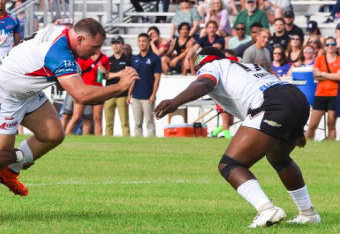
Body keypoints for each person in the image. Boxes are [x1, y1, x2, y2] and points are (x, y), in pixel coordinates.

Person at [0, 18, 137, 221]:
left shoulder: (63, 34)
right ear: (79, 39)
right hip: (2, 93)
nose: (96, 53)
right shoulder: (58, 53)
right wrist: (120, 87)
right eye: (94, 47)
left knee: (53, 134)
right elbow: (81, 96)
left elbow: (55, 72)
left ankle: (10, 173)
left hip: (26, 90)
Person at [155, 47, 321, 227]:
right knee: (279, 158)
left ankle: (266, 209)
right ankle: (307, 213)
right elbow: (278, 90)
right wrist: (296, 130)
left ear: (200, 61)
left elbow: (204, 84)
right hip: (295, 97)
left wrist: (176, 101)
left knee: (230, 164)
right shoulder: (242, 65)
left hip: (272, 103)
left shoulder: (212, 65)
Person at [64, 52, 110, 136]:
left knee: (96, 119)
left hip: (98, 90)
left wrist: (104, 72)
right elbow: (78, 73)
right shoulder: (83, 56)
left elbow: (106, 76)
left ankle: (97, 142)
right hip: (84, 90)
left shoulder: (104, 58)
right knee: (76, 117)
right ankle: (66, 137)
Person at [306, 37, 340, 141]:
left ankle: (330, 147)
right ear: (324, 46)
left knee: (331, 124)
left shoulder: (339, 59)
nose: (330, 46)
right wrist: (332, 75)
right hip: (320, 94)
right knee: (312, 125)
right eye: (328, 44)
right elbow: (316, 76)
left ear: (336, 46)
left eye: (333, 44)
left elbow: (339, 77)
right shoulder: (320, 58)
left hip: (334, 94)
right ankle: (306, 146)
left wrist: (323, 74)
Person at [127, 33, 161, 137]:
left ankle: (151, 145)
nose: (142, 43)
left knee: (149, 122)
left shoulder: (155, 58)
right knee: (137, 123)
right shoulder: (134, 59)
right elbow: (132, 78)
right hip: (136, 96)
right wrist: (129, 94)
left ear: (148, 43)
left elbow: (157, 78)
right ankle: (138, 145)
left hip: (148, 96)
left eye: (144, 41)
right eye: (140, 41)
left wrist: (153, 94)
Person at [104, 36, 132, 136]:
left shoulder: (127, 60)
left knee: (124, 123)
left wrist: (129, 94)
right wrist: (118, 74)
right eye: (114, 43)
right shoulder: (108, 60)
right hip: (109, 94)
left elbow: (129, 76)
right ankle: (108, 144)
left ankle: (127, 144)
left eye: (118, 43)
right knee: (108, 124)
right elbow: (105, 76)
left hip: (122, 94)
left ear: (122, 45)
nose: (116, 46)